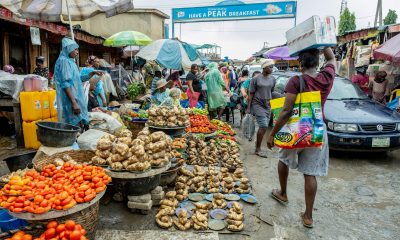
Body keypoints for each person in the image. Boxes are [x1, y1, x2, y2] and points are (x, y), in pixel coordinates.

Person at [266, 47, 336, 229]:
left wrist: (272, 134)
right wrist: (323, 43)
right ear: (317, 61)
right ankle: (308, 216)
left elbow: (287, 111)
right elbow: (332, 59)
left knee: (283, 159)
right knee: (310, 173)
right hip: (317, 130)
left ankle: (282, 193)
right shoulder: (327, 77)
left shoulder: (296, 81)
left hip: (296, 129)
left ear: (300, 63)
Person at [54, 37, 102, 128]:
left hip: (76, 98)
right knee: (72, 125)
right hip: (70, 99)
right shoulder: (64, 61)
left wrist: (92, 73)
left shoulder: (71, 62)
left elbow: (78, 79)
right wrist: (73, 102)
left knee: (78, 124)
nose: (77, 52)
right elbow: (65, 83)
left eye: (77, 49)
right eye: (75, 49)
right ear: (68, 49)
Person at [246, 60, 276, 158]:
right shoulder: (255, 79)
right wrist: (249, 107)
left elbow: (271, 91)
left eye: (272, 67)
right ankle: (258, 149)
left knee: (265, 126)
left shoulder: (272, 79)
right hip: (257, 103)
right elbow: (251, 93)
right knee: (263, 125)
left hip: (268, 105)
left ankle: (257, 144)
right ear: (264, 67)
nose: (271, 69)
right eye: (270, 67)